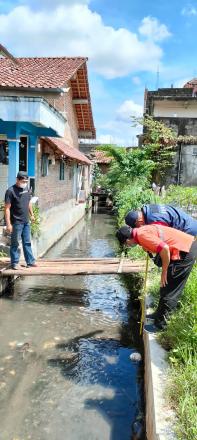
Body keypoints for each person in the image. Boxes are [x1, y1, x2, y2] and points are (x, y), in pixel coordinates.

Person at [116, 224, 197, 331]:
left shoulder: (141, 235)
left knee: (170, 289)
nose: (128, 246)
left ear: (128, 240)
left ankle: (161, 325)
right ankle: (158, 314)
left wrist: (164, 270)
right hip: (183, 247)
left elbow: (165, 248)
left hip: (185, 251)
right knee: (165, 285)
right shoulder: (140, 232)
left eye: (126, 244)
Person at [4, 171, 37, 270]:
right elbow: (7, 208)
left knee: (27, 242)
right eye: (23, 181)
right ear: (17, 179)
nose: (25, 182)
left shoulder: (26, 189)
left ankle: (30, 262)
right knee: (15, 243)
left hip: (26, 221)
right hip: (16, 222)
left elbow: (29, 203)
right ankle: (15, 263)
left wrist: (32, 215)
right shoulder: (10, 191)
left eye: (26, 181)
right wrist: (9, 224)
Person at [125, 203, 197, 236]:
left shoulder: (154, 220)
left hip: (187, 229)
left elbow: (167, 236)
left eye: (137, 226)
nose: (140, 228)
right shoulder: (149, 207)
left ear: (139, 221)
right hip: (189, 220)